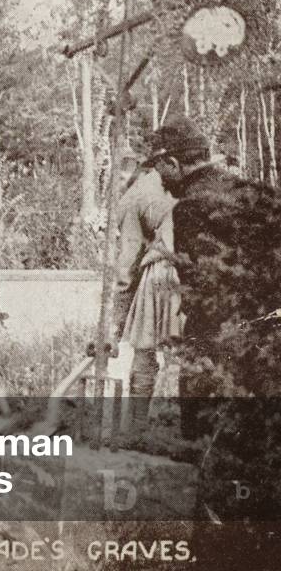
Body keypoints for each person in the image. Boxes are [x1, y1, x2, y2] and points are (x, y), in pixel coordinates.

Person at [149, 115, 281, 437]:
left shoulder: (189, 208)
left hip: (217, 340)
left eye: (159, 169)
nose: (161, 180)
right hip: (269, 339)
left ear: (173, 162)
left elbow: (201, 287)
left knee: (204, 437)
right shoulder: (260, 192)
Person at [114, 154, 180, 421]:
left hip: (161, 273)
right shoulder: (180, 181)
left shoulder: (133, 196)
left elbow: (128, 261)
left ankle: (137, 425)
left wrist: (117, 321)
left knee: (144, 352)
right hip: (192, 270)